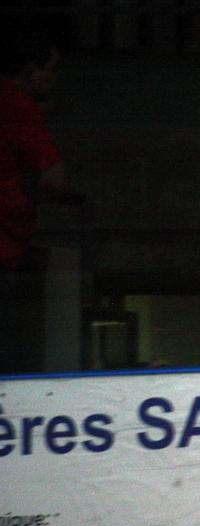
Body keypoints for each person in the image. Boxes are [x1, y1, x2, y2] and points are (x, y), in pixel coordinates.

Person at [1, 25, 90, 373]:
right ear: (29, 69)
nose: (53, 79)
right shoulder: (19, 108)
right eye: (50, 69)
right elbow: (54, 178)